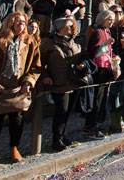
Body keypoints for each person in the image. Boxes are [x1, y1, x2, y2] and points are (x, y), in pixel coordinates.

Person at [40, 16, 95, 151]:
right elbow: (39, 63)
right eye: (68, 26)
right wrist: (45, 76)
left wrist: (83, 64)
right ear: (60, 28)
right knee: (61, 111)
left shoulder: (75, 41)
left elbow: (84, 56)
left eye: (72, 26)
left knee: (68, 111)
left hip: (74, 81)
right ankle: (56, 139)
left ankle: (62, 135)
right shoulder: (49, 42)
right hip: (59, 82)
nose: (71, 28)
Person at [0, 12, 41, 162]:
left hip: (18, 87)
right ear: (11, 22)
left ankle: (14, 148)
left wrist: (28, 82)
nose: (21, 25)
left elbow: (35, 65)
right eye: (18, 22)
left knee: (17, 120)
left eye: (23, 22)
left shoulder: (30, 41)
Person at [84, 10, 115, 139]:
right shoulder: (98, 32)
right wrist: (104, 45)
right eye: (109, 19)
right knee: (96, 99)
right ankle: (92, 126)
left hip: (106, 66)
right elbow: (93, 51)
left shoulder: (107, 32)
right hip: (98, 68)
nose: (112, 22)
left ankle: (96, 124)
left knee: (101, 99)